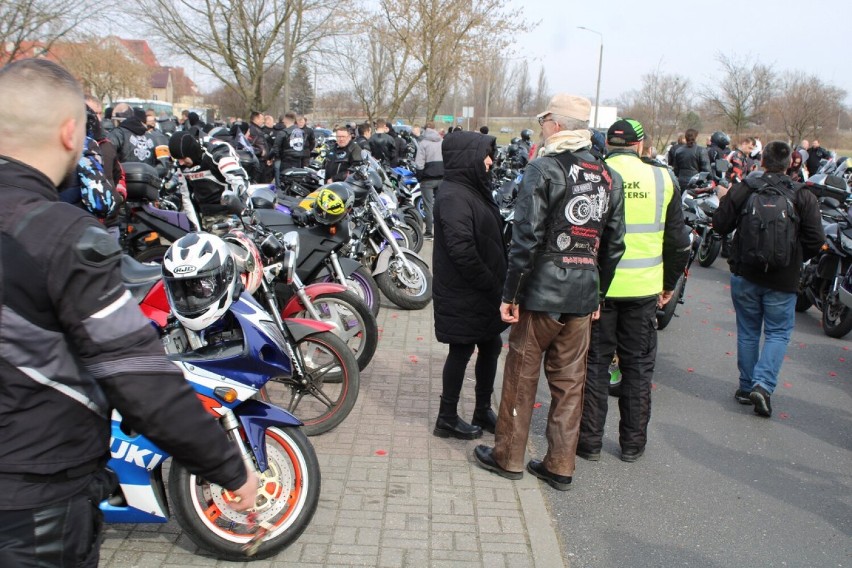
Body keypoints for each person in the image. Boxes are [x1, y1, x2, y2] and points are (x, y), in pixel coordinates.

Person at [0, 58, 257, 568]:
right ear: (71, 133)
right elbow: (137, 374)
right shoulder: (62, 238)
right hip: (34, 507)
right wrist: (229, 466)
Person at [473, 94, 625, 491]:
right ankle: (560, 465)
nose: (541, 126)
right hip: (582, 293)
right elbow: (614, 244)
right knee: (570, 384)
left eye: (545, 120)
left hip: (541, 292)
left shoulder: (543, 168)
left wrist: (511, 295)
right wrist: (598, 295)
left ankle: (508, 457)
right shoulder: (610, 177)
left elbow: (526, 238)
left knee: (521, 377)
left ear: (556, 125)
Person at [578, 119, 691, 463]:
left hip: (599, 289)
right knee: (638, 366)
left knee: (595, 364)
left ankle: (590, 443)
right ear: (641, 146)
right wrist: (668, 284)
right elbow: (679, 243)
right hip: (644, 289)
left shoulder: (594, 173)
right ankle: (632, 445)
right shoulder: (662, 178)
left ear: (608, 144)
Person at [712, 141, 824, 417]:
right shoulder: (802, 194)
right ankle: (762, 385)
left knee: (749, 330)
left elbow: (720, 224)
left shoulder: (746, 188)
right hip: (783, 279)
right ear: (790, 164)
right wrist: (794, 258)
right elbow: (816, 239)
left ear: (762, 160)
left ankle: (746, 386)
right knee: (777, 332)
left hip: (746, 272)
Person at [432, 131, 508, 439]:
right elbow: (461, 249)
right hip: (465, 290)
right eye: (484, 155)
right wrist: (490, 282)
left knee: (491, 346)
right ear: (468, 158)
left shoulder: (472, 188)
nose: (490, 161)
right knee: (461, 350)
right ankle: (446, 417)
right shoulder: (453, 195)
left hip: (480, 292)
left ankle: (481, 409)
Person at [168, 130, 249, 230]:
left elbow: (238, 180)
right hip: (206, 215)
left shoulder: (217, 150)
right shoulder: (181, 166)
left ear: (191, 151)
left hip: (230, 214)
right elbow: (186, 198)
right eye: (177, 159)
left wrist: (241, 213)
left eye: (183, 158)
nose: (180, 163)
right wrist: (196, 229)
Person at [414, 121, 444, 239]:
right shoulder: (442, 141)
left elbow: (419, 163)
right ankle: (442, 231)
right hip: (442, 177)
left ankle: (428, 232)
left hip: (428, 178)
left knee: (428, 205)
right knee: (441, 205)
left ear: (425, 129)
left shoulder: (423, 143)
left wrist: (419, 177)